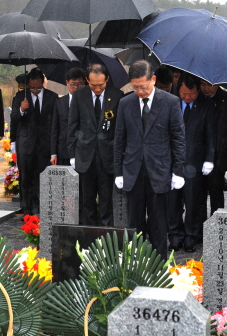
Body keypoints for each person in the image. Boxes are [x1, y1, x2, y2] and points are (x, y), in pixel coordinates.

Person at [114, 60, 185, 260]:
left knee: (158, 222)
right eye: (135, 88)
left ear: (153, 80)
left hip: (160, 171)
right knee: (134, 222)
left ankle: (159, 265)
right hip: (133, 171)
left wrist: (178, 171)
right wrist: (118, 171)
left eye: (143, 87)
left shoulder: (170, 102)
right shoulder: (125, 103)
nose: (140, 91)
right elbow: (119, 139)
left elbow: (178, 138)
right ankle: (134, 263)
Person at [68, 63, 123, 226]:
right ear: (87, 80)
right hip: (85, 157)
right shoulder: (79, 96)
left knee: (106, 199)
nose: (97, 89)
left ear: (107, 79)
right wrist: (72, 154)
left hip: (107, 156)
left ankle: (106, 236)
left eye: (101, 85)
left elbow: (120, 129)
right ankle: (88, 235)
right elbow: (72, 126)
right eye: (93, 85)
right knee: (87, 200)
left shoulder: (117, 95)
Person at [168, 73, 216, 253]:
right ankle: (175, 236)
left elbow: (211, 135)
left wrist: (209, 159)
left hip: (195, 162)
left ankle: (191, 236)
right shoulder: (170, 103)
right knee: (172, 202)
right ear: (177, 89)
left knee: (193, 200)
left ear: (198, 91)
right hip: (172, 162)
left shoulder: (207, 106)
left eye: (192, 94)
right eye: (184, 94)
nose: (187, 97)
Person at [11, 68, 58, 215]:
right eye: (32, 87)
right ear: (28, 84)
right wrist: (21, 110)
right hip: (26, 144)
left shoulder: (53, 97)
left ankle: (41, 208)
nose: (35, 90)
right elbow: (13, 119)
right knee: (26, 178)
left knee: (42, 178)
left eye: (38, 87)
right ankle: (26, 208)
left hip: (45, 144)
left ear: (43, 84)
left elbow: (55, 122)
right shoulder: (20, 96)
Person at [200, 79, 227, 215]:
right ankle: (198, 228)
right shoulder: (196, 97)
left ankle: (216, 223)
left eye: (210, 85)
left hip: (219, 152)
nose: (206, 88)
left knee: (216, 191)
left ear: (217, 84)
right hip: (199, 152)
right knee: (198, 193)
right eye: (203, 84)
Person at [50, 67, 86, 166]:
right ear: (67, 83)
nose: (76, 88)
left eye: (80, 84)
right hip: (63, 149)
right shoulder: (59, 102)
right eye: (73, 84)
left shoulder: (89, 102)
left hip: (84, 150)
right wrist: (53, 153)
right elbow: (55, 129)